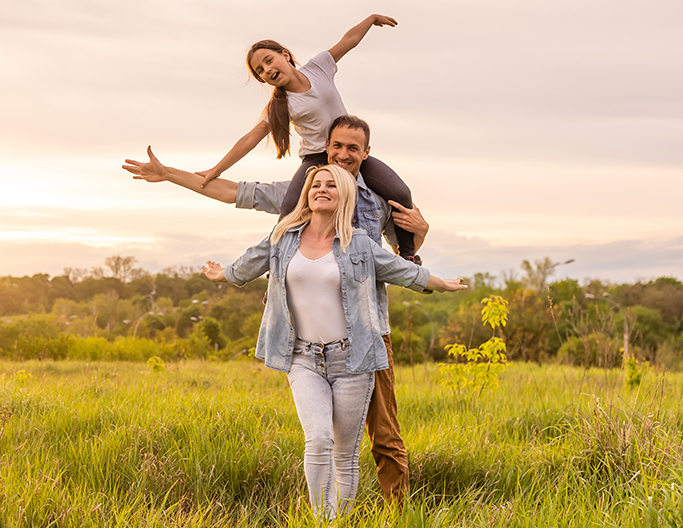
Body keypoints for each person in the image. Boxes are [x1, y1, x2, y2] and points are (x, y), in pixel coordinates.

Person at [123, 115, 429, 501]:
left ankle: (397, 514)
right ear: (326, 148)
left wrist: (422, 230)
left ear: (366, 153)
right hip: (309, 341)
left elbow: (405, 259)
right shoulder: (301, 193)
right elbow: (233, 191)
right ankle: (330, 516)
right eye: (337, 146)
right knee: (321, 438)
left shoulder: (380, 204)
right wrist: (168, 173)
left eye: (354, 148)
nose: (344, 154)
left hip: (368, 334)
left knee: (384, 435)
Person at [202, 164, 466, 519]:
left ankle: (339, 520)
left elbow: (403, 271)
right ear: (307, 194)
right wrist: (223, 275)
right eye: (315, 184)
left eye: (330, 185)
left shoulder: (359, 243)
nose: (321, 189)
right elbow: (250, 262)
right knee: (319, 439)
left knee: (345, 453)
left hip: (353, 359)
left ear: (345, 194)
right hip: (303, 358)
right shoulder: (284, 236)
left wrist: (442, 283)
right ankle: (322, 521)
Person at [195, 15, 421, 262]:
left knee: (401, 193)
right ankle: (277, 274)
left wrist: (372, 19)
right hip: (317, 159)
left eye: (269, 61)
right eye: (261, 71)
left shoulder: (319, 66)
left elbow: (349, 40)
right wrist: (215, 169)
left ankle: (408, 258)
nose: (268, 70)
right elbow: (251, 138)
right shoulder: (280, 106)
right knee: (290, 211)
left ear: (285, 55)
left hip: (348, 153)